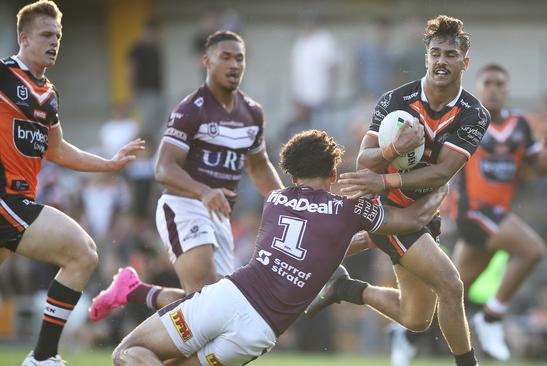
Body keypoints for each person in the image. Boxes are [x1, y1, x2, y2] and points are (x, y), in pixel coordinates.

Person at [111, 129, 449, 366]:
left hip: (228, 299)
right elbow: (411, 221)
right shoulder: (349, 211)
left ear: (290, 175)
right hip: (259, 333)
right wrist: (439, 188)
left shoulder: (275, 199)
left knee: (129, 352)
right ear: (333, 173)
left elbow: (317, 244)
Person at [306, 15, 486, 366]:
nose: (441, 61)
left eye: (450, 54)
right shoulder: (396, 100)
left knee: (416, 318)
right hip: (387, 211)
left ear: (464, 62)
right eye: (435, 53)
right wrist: (391, 153)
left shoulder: (474, 114)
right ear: (425, 58)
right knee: (451, 285)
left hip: (417, 213)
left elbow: (444, 171)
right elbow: (364, 160)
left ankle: (345, 288)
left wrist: (386, 178)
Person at [90, 31, 283, 320]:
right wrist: (204, 191)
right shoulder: (191, 110)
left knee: (218, 306)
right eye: (225, 57)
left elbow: (258, 165)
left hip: (219, 214)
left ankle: (134, 291)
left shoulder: (252, 113)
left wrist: (288, 205)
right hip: (184, 206)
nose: (234, 64)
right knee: (206, 295)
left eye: (239, 58)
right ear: (206, 61)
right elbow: (163, 169)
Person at [0, 1, 144, 364]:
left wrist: (109, 164)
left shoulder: (48, 95)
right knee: (83, 253)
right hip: (6, 202)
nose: (54, 42)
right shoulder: (3, 76)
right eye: (47, 34)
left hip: (18, 205)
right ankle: (43, 356)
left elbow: (59, 150)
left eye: (58, 36)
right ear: (24, 37)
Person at [451, 64, 547, 361]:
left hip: (496, 217)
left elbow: (537, 167)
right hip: (473, 212)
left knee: (452, 290)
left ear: (507, 89)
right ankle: (491, 316)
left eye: (500, 83)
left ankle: (404, 331)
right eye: (488, 83)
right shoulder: (465, 120)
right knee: (533, 249)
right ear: (479, 87)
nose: (494, 88)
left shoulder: (521, 126)